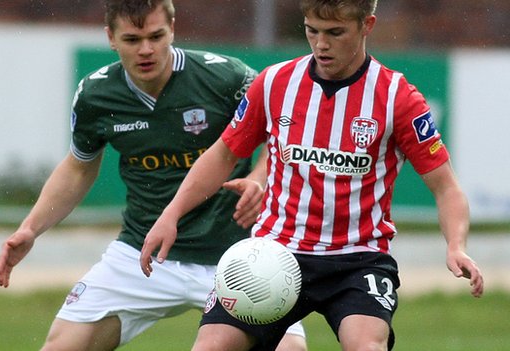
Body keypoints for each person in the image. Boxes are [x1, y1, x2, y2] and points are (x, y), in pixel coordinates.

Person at [140, 0, 485, 350]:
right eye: (312, 31)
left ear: (367, 24)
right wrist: (171, 213)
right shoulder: (274, 83)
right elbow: (224, 153)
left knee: (366, 346)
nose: (321, 44)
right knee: (211, 346)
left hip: (358, 259)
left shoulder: (398, 97)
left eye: (335, 32)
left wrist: (456, 245)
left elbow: (446, 187)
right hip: (274, 253)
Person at [0, 1, 308, 350]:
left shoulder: (224, 77)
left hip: (235, 255)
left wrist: (260, 177)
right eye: (132, 39)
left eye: (156, 36)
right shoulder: (96, 95)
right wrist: (30, 228)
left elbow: (283, 131)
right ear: (110, 38)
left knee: (290, 348)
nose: (146, 49)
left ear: (172, 29)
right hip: (142, 253)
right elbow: (78, 167)